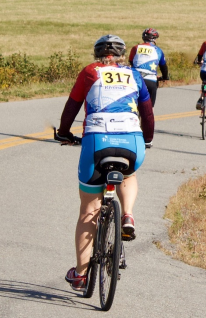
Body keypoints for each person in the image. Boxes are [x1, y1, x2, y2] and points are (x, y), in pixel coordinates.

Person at [54, 34, 154, 291]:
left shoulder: (90, 72)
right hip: (132, 142)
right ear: (122, 55)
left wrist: (64, 133)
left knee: (89, 210)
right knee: (129, 175)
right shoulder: (135, 74)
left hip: (96, 142)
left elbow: (72, 107)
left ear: (97, 55)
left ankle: (80, 274)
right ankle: (128, 214)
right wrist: (148, 138)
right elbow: (147, 113)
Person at [128, 28, 169, 107]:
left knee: (131, 104)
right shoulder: (158, 50)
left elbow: (131, 62)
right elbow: (163, 67)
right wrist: (165, 77)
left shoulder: (135, 48)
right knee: (149, 109)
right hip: (150, 80)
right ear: (154, 39)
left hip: (135, 79)